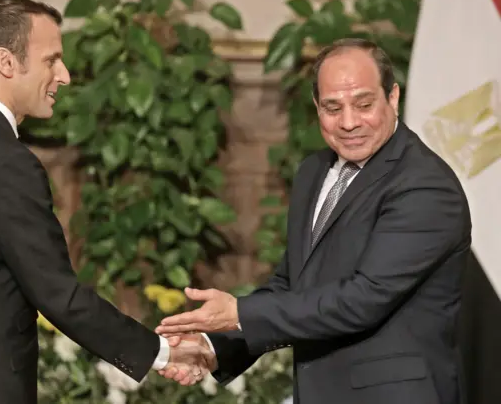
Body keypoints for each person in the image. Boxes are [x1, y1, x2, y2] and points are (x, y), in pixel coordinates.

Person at [0, 0, 208, 404]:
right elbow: (57, 293)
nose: (65, 75)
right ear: (5, 62)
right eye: (52, 60)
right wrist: (161, 353)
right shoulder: (8, 163)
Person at [156, 38, 471, 404]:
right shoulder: (314, 171)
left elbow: (362, 300)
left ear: (393, 97)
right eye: (332, 108)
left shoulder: (425, 186)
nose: (349, 122)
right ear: (316, 107)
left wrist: (237, 313)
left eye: (364, 104)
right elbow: (294, 288)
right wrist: (216, 348)